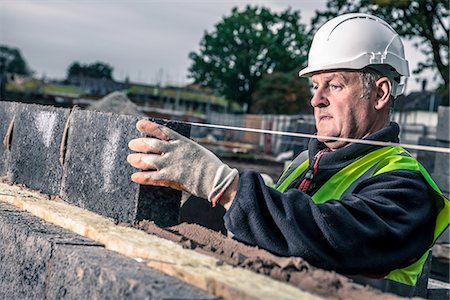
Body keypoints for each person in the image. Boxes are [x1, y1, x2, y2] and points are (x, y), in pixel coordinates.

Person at [127, 13, 449, 297]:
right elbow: (274, 233)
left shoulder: (406, 186)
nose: (316, 100)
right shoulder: (302, 165)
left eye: (334, 85)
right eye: (315, 86)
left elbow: (333, 237)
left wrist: (227, 187)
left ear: (380, 93)